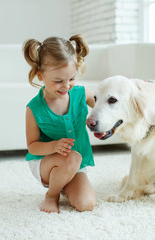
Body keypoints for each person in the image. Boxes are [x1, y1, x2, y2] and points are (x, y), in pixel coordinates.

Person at [23, 35, 96, 213]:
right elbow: (32, 147)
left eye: (71, 78)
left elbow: (103, 108)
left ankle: (64, 181)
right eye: (58, 81)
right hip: (46, 163)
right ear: (40, 75)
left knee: (86, 204)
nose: (66, 86)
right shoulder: (34, 109)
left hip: (74, 164)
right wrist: (54, 146)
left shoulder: (82, 93)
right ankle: (52, 195)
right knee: (73, 157)